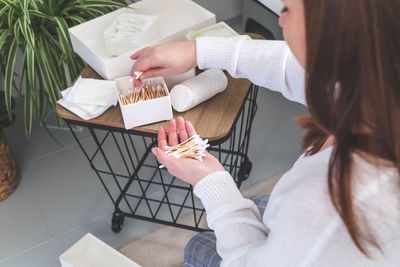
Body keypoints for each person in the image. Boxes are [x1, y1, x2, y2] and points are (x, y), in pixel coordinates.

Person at [130, 0, 400, 266]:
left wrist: (211, 182)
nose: (280, 20)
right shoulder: (379, 85)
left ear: (334, 32)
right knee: (259, 204)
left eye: (288, 10)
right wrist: (197, 51)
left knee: (200, 247)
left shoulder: (330, 203)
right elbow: (296, 70)